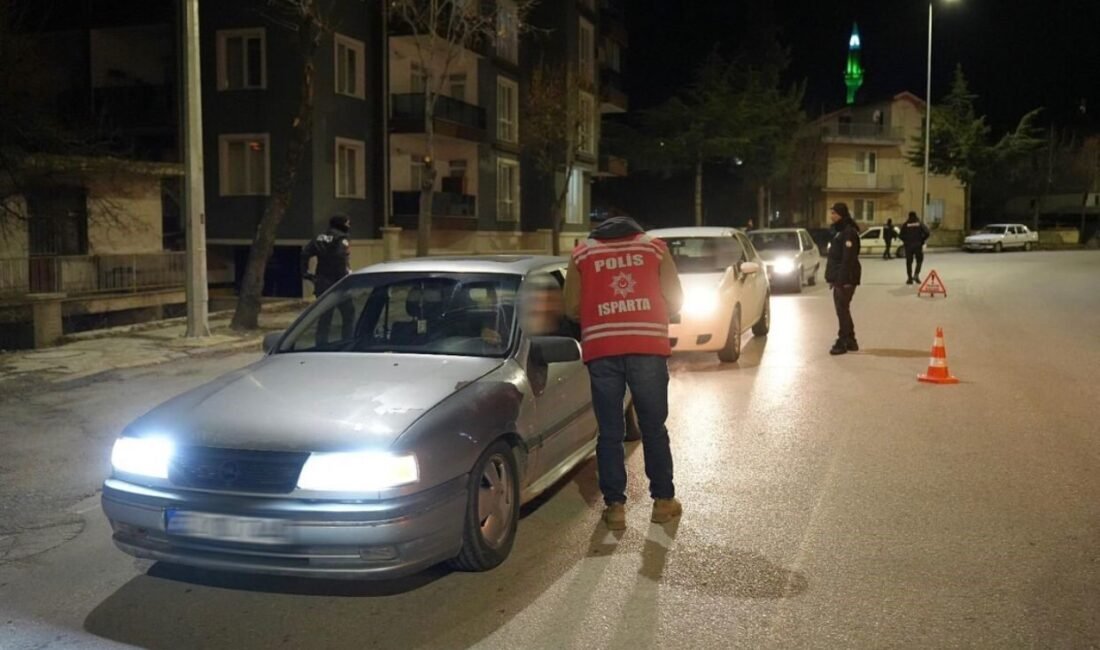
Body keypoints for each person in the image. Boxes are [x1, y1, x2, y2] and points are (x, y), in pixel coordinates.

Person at [563, 216, 683, 531]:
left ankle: (615, 507)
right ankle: (663, 501)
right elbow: (675, 300)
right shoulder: (654, 249)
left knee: (610, 431)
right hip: (647, 345)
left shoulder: (583, 253)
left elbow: (571, 307)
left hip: (602, 348)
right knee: (653, 427)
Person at [301, 214, 354, 344]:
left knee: (324, 315)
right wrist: (346, 277)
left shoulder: (319, 238)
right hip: (339, 282)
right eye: (347, 223)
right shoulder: (342, 238)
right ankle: (347, 342)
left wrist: (306, 273)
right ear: (341, 224)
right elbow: (340, 257)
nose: (349, 226)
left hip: (322, 281)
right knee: (348, 313)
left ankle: (321, 343)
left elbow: (305, 253)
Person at [824, 202, 862, 355]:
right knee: (843, 309)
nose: (832, 216)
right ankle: (851, 340)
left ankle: (843, 341)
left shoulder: (848, 233)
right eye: (831, 213)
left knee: (842, 310)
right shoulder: (839, 232)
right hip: (840, 278)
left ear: (842, 215)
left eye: (834, 213)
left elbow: (848, 259)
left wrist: (841, 280)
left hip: (846, 278)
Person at [899, 211, 931, 284]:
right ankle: (916, 275)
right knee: (919, 260)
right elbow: (927, 232)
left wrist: (906, 241)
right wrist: (922, 240)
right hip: (918, 245)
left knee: (909, 262)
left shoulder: (906, 224)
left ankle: (909, 278)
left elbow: (900, 235)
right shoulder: (919, 223)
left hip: (908, 246)